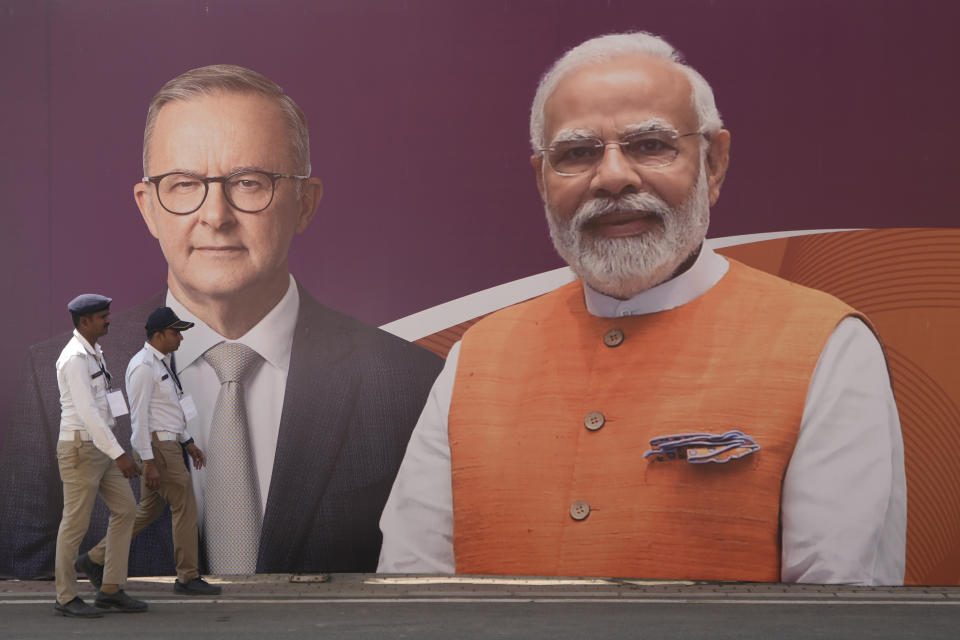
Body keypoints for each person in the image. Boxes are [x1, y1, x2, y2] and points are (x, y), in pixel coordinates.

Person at [378, 31, 906, 585]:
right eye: (577, 154)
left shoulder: (825, 346)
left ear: (714, 163)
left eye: (650, 145)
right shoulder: (477, 356)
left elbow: (842, 608)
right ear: (541, 180)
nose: (612, 177)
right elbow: (410, 590)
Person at [1, 65, 443, 579]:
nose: (216, 215)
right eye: (184, 184)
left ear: (305, 203)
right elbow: (23, 602)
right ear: (148, 209)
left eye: (249, 183)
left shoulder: (409, 385)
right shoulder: (52, 378)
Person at [76, 307, 220, 595]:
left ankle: (94, 559)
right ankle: (187, 577)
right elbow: (139, 418)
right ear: (158, 335)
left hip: (165, 446)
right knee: (185, 507)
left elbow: (169, 411)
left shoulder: (160, 363)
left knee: (147, 511)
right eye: (175, 332)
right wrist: (149, 461)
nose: (180, 338)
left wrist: (187, 442)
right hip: (157, 449)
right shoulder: (144, 366)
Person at [53, 294, 147, 617]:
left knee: (126, 509)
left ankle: (109, 589)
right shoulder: (75, 357)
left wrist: (113, 451)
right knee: (74, 525)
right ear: (84, 322)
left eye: (107, 315)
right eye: (102, 317)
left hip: (101, 448)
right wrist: (120, 454)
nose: (108, 320)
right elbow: (89, 413)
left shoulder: (94, 352)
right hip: (81, 448)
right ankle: (65, 597)